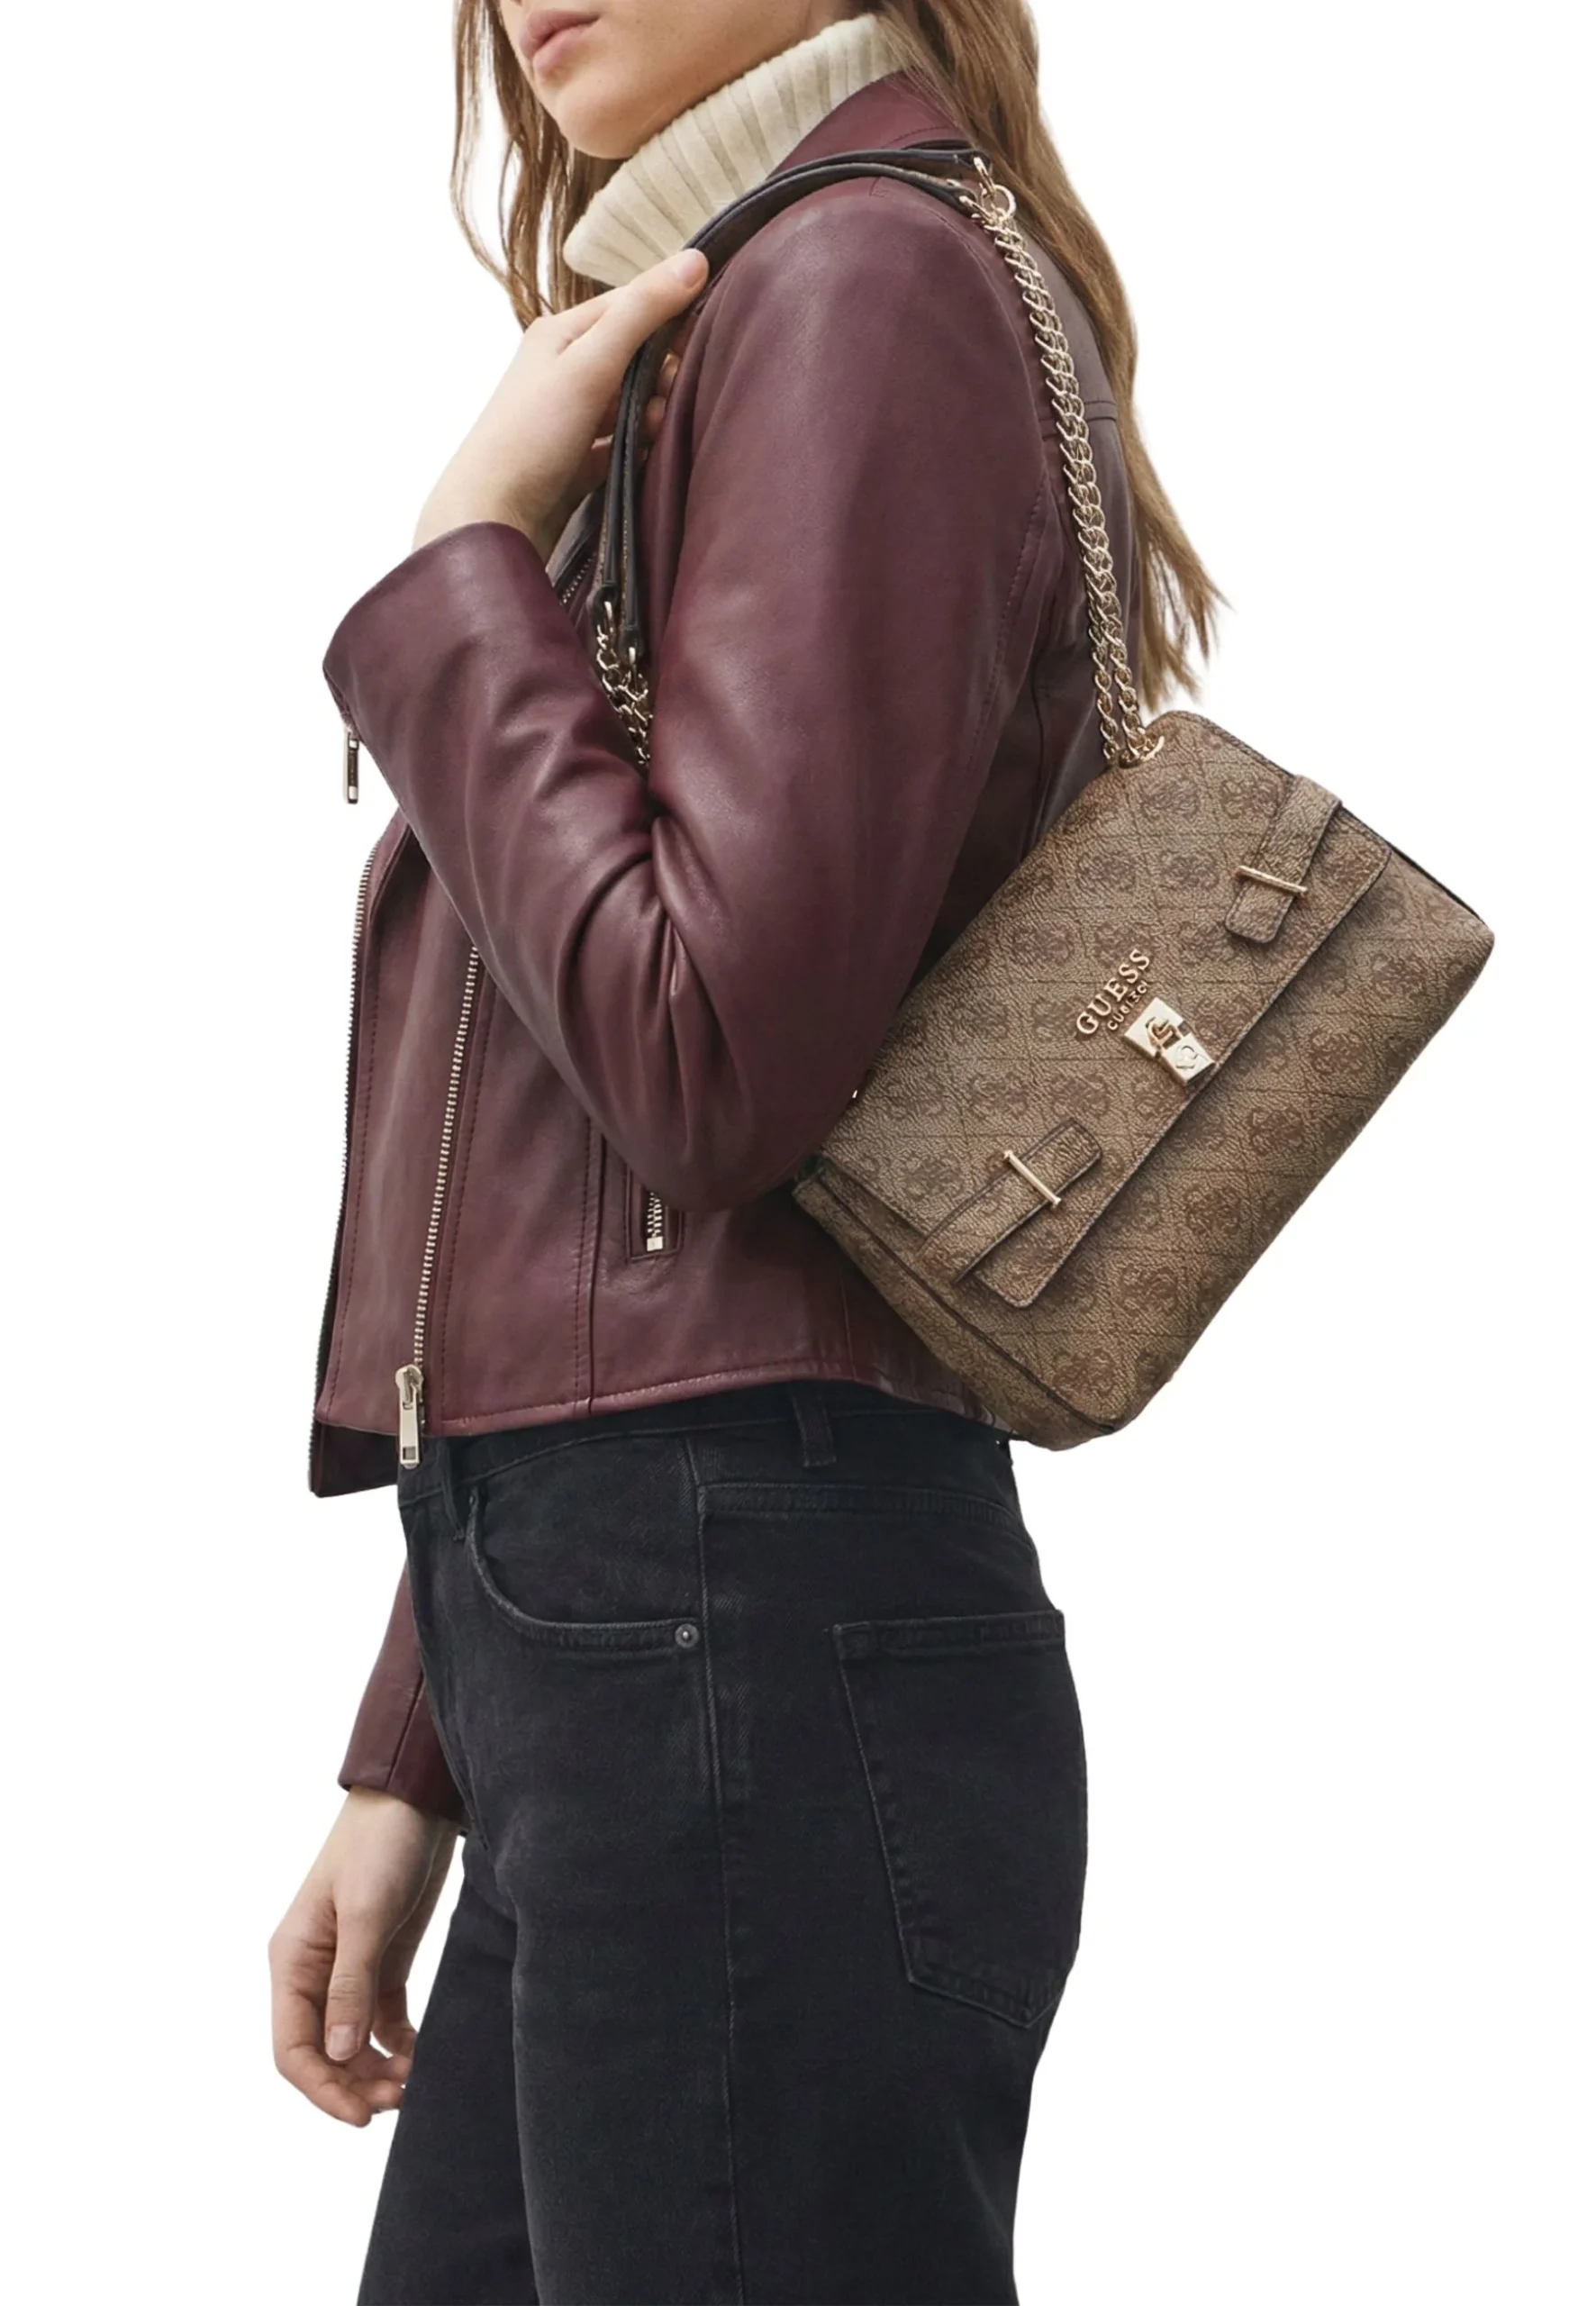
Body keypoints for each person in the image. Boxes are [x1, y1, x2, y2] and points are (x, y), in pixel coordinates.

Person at [268, 5, 1219, 2299]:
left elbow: (707, 1059)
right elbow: (589, 1201)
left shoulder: (861, 283)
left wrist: (463, 560)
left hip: (735, 1646)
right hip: (641, 1644)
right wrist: (423, 1747)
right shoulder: (740, 302)